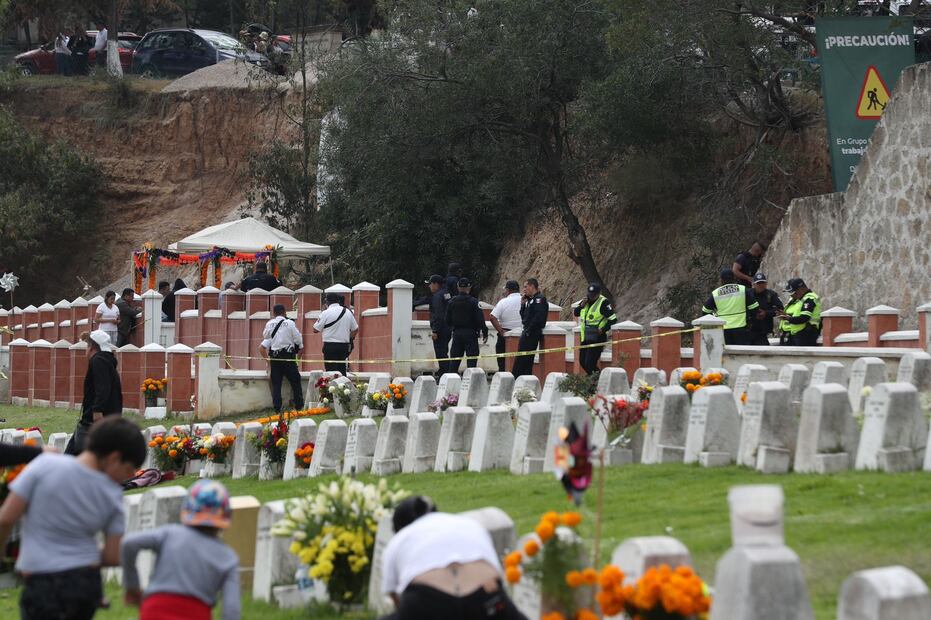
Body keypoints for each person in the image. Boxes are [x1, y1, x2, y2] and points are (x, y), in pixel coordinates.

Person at [0, 416, 146, 620]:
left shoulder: (45, 466)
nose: (127, 477)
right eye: (129, 470)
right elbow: (113, 555)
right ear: (114, 458)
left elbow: (6, 519)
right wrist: (79, 558)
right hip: (84, 584)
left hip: (41, 580)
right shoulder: (112, 495)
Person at [379, 496, 526, 620]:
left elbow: (394, 596)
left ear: (400, 527)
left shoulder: (400, 539)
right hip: (487, 598)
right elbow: (496, 575)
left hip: (426, 603)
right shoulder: (470, 525)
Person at [121, 480, 240, 620]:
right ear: (226, 514)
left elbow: (129, 543)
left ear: (187, 507)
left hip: (154, 609)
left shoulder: (169, 534)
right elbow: (231, 610)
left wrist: (132, 586)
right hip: (196, 613)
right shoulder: (227, 557)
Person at [66, 331, 123, 455]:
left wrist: (97, 410)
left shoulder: (98, 361)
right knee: (71, 455)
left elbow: (103, 387)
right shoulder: (107, 361)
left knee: (79, 457)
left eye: (87, 346)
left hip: (93, 421)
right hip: (100, 419)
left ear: (91, 347)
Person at [260, 304, 305, 413]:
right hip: (288, 357)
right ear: (285, 312)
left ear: (274, 313)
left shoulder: (269, 323)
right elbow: (298, 340)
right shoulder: (290, 323)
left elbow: (265, 336)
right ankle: (299, 406)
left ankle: (277, 408)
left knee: (276, 384)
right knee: (295, 381)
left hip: (275, 357)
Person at [701, 269, 759, 345]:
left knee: (726, 354)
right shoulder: (743, 289)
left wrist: (715, 322)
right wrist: (749, 319)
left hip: (723, 330)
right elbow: (754, 307)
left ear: (721, 280)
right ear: (734, 278)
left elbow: (705, 311)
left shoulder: (716, 293)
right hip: (741, 328)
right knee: (742, 353)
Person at [445, 278, 488, 372]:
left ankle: (451, 382)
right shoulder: (473, 302)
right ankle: (470, 383)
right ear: (469, 287)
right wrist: (485, 332)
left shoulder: (452, 302)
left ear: (458, 287)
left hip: (457, 333)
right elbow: (480, 319)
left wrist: (453, 329)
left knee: (454, 361)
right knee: (472, 362)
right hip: (471, 334)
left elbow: (447, 320)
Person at [573, 283, 617, 375]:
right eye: (590, 294)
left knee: (589, 363)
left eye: (593, 295)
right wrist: (581, 305)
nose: (591, 297)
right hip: (585, 337)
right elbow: (576, 313)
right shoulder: (585, 301)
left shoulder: (603, 302)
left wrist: (603, 329)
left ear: (598, 293)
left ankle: (597, 381)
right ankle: (597, 379)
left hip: (598, 338)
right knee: (582, 362)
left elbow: (613, 319)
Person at [313, 293, 359, 375]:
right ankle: (343, 386)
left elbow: (315, 329)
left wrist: (322, 312)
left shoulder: (325, 313)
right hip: (344, 346)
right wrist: (349, 339)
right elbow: (355, 329)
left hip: (330, 346)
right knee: (342, 369)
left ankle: (333, 387)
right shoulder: (347, 312)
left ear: (327, 301)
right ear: (338, 300)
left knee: (331, 371)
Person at [511, 279, 548, 378]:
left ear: (532, 286)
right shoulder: (531, 300)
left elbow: (538, 318)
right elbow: (524, 318)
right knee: (522, 359)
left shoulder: (539, 299)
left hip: (532, 333)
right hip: (527, 331)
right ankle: (522, 379)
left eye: (525, 287)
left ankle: (518, 378)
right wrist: (523, 305)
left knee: (523, 360)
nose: (524, 289)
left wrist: (529, 329)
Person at [777, 278, 822, 346]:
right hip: (797, 334)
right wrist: (787, 315)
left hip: (807, 335)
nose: (791, 295)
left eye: (793, 292)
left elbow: (804, 318)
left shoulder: (810, 298)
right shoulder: (800, 299)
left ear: (801, 289)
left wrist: (788, 318)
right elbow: (797, 315)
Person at [489, 281, 522, 373]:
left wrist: (501, 331)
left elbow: (492, 317)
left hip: (505, 335)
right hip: (522, 335)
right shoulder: (525, 300)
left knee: (503, 364)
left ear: (508, 290)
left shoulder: (503, 302)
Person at [423, 275, 453, 375]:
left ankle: (445, 373)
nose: (429, 286)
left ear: (436, 284)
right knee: (444, 352)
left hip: (440, 329)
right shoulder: (447, 293)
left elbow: (438, 314)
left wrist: (435, 330)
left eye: (430, 284)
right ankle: (445, 372)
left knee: (441, 353)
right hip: (448, 327)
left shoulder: (437, 296)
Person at [749, 272, 784, 346]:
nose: (761, 285)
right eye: (758, 283)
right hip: (749, 330)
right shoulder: (748, 294)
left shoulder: (771, 295)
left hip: (763, 331)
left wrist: (766, 313)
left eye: (763, 283)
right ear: (754, 284)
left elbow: (780, 309)